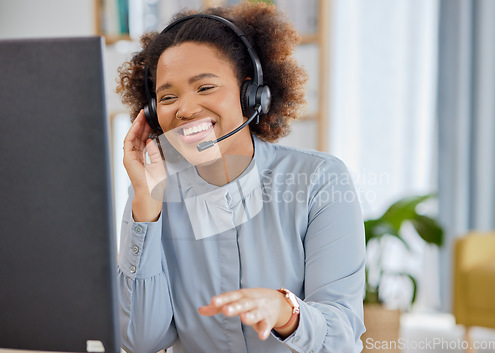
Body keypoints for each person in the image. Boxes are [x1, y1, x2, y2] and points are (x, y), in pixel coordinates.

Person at [116, 2, 366, 353]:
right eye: (168, 96)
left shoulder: (319, 181)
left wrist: (285, 312)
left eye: (205, 88)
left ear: (250, 94)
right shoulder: (154, 191)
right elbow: (140, 340)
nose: (185, 109)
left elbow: (342, 337)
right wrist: (146, 205)